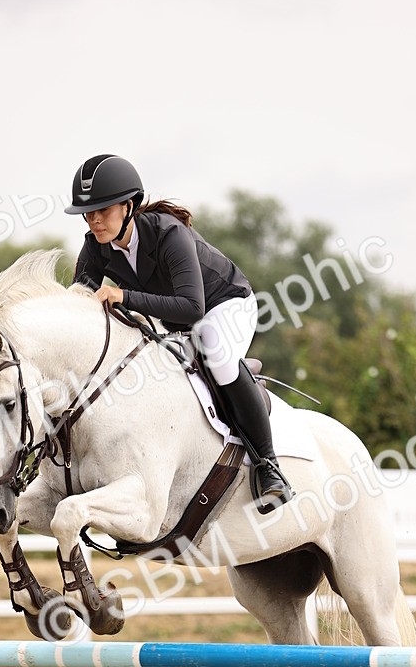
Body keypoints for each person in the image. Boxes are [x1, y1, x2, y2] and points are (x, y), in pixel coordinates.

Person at [65, 153, 293, 511]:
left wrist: (122, 295)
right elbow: (76, 307)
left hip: (225, 306)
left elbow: (192, 308)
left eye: (103, 210)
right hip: (174, 322)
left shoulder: (168, 234)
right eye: (88, 212)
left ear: (129, 206)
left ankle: (269, 467)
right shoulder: (95, 246)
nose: (94, 220)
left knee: (214, 351)